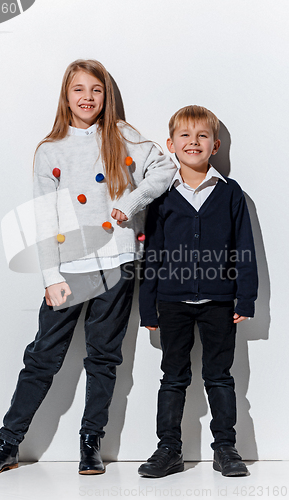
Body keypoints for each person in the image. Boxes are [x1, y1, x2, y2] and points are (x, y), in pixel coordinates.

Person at [0, 59, 176, 476]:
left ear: (106, 97)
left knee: (103, 358)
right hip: (70, 268)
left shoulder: (121, 135)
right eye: (79, 89)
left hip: (117, 263)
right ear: (66, 97)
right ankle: (8, 443)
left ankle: (90, 444)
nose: (87, 97)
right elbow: (45, 220)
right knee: (42, 357)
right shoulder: (50, 149)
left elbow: (166, 168)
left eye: (96, 90)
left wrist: (131, 202)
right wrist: (50, 276)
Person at [138, 105, 258, 478]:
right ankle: (168, 450)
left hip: (220, 302)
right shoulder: (161, 196)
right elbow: (152, 252)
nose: (194, 142)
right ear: (171, 144)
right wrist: (148, 307)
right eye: (185, 136)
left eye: (202, 136)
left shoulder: (231, 193)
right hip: (171, 302)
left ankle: (226, 448)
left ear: (215, 144)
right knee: (173, 377)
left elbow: (244, 246)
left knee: (220, 376)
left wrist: (246, 296)